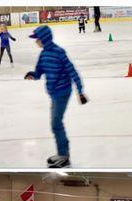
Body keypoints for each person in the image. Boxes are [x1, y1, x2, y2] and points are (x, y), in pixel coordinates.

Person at [25, 25, 88, 168]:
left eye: (37, 39)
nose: (36, 42)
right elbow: (39, 72)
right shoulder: (43, 54)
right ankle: (62, 153)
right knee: (55, 123)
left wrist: (80, 91)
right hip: (53, 93)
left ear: (44, 39)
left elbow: (72, 71)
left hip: (63, 92)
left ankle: (64, 156)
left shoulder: (59, 52)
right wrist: (32, 75)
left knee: (56, 123)